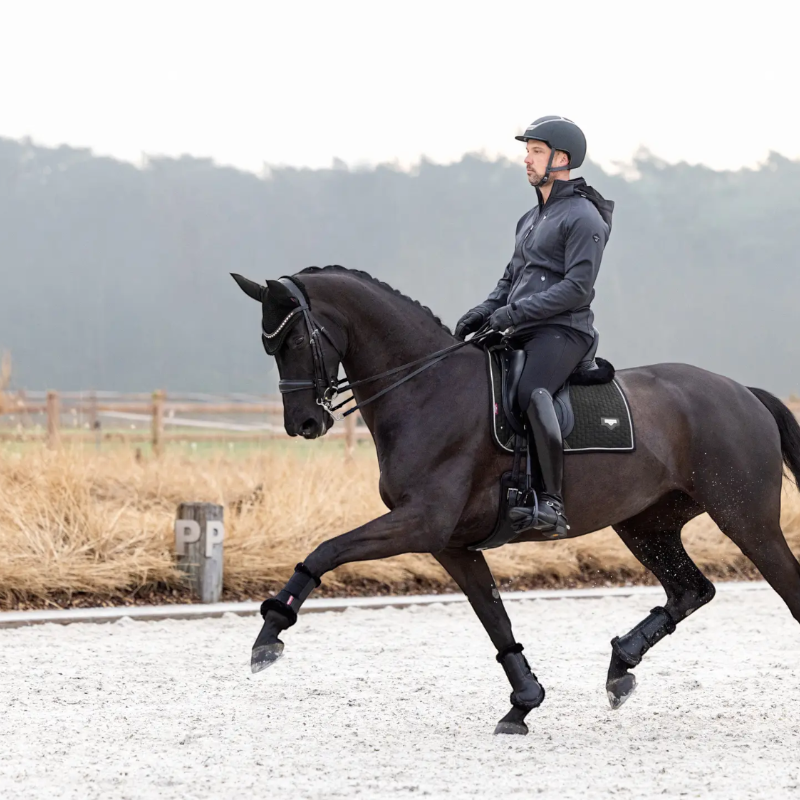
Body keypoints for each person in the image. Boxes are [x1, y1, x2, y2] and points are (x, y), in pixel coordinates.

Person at [455, 116, 614, 536]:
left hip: (565, 331)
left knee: (530, 391)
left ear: (561, 159)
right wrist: (482, 311)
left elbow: (577, 289)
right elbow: (511, 280)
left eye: (536, 151)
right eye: (527, 151)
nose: (526, 159)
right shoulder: (529, 219)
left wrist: (511, 315)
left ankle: (551, 502)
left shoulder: (584, 218)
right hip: (523, 325)